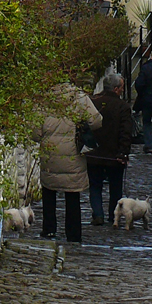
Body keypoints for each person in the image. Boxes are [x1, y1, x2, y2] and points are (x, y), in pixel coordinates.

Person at [36, 81, 103, 243]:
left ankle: (49, 229)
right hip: (73, 152)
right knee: (72, 194)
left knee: (49, 190)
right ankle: (73, 233)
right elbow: (96, 121)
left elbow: (35, 132)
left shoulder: (44, 101)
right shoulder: (80, 98)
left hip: (50, 152)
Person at [85, 72, 133, 225]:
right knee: (115, 187)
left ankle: (98, 214)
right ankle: (114, 215)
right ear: (117, 89)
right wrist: (124, 152)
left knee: (95, 185)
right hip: (114, 154)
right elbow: (125, 132)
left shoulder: (92, 101)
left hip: (94, 153)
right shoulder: (122, 106)